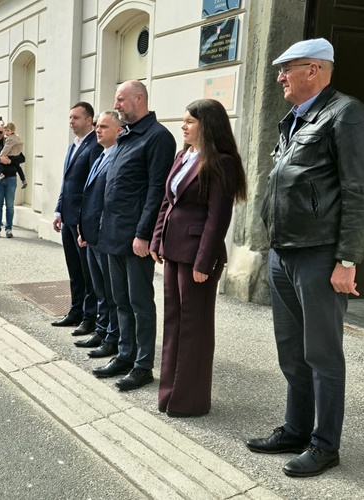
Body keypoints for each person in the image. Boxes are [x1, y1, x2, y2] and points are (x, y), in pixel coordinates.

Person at [247, 38, 364, 478]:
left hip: (320, 256)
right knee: (292, 352)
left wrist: (347, 259)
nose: (279, 78)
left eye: (287, 69)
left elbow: (361, 191)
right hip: (284, 252)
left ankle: (325, 446)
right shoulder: (296, 119)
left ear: (315, 70)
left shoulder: (345, 113)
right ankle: (296, 428)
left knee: (322, 355)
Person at [149, 99, 247, 416]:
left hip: (197, 257)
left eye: (190, 121)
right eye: (184, 120)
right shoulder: (183, 156)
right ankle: (169, 395)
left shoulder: (222, 162)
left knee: (195, 328)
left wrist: (204, 262)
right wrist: (157, 238)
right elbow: (168, 202)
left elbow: (218, 218)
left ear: (208, 125)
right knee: (174, 323)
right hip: (173, 250)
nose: (183, 126)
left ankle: (190, 401)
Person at [92, 80, 176, 392]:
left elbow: (157, 190)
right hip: (112, 234)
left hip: (135, 238)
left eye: (121, 100)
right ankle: (125, 355)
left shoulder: (157, 137)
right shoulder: (126, 136)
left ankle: (143, 366)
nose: (116, 105)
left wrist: (144, 234)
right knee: (120, 301)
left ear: (139, 99)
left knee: (140, 302)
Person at [51, 102, 103, 335]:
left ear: (89, 120)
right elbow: (67, 182)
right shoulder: (74, 145)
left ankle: (89, 317)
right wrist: (58, 211)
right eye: (70, 117)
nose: (71, 122)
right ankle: (75, 311)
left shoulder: (95, 146)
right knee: (74, 269)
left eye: (76, 118)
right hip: (67, 217)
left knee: (87, 272)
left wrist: (85, 221)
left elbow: (92, 188)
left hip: (83, 221)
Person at [75, 111, 123, 359]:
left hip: (105, 236)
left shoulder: (117, 158)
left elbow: (108, 201)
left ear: (119, 130)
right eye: (97, 126)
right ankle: (102, 330)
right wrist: (83, 228)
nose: (98, 130)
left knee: (111, 292)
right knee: (100, 290)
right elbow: (89, 195)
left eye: (104, 126)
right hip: (92, 235)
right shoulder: (101, 155)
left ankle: (112, 338)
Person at [0, 124, 25, 239]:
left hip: (11, 178)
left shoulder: (11, 143)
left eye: (1, 132)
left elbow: (22, 158)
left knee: (10, 206)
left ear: (5, 132)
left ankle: (8, 229)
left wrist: (9, 160)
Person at [0, 122, 27, 188]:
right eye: (5, 130)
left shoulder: (10, 139)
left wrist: (1, 154)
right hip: (17, 155)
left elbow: (6, 148)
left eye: (8, 131)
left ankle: (0, 174)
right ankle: (23, 180)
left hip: (11, 155)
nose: (6, 132)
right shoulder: (16, 136)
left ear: (12, 131)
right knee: (18, 167)